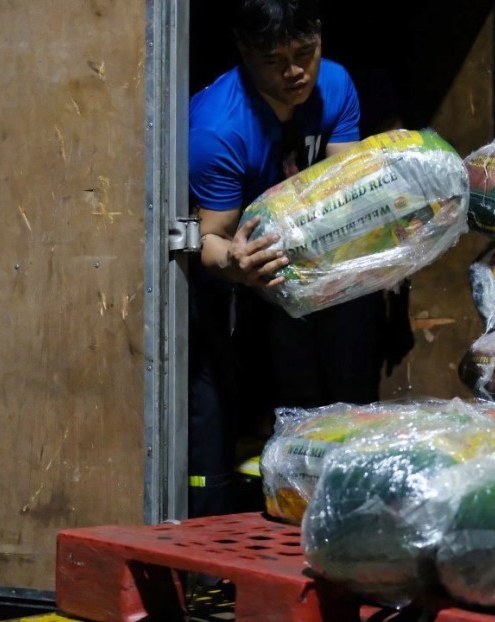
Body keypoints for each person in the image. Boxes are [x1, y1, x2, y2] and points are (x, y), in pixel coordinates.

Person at [187, 0, 386, 517]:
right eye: (274, 60)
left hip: (316, 264)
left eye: (305, 52)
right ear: (245, 53)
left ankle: (350, 502)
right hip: (247, 275)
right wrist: (235, 263)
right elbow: (208, 239)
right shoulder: (217, 129)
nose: (295, 71)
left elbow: (349, 189)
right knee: (270, 383)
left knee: (354, 355)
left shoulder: (336, 84)